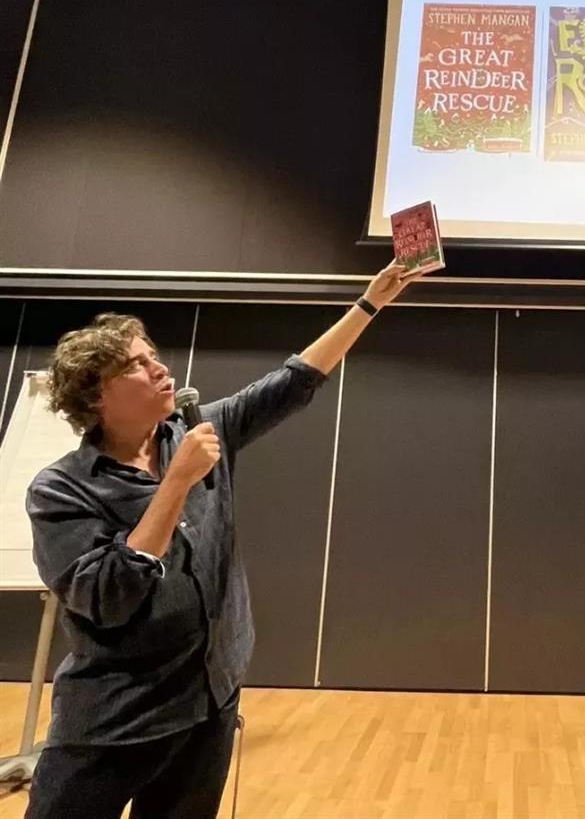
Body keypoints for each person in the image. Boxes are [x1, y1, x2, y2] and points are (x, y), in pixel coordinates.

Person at [23, 263, 415, 819]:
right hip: (118, 717)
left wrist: (369, 303)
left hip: (210, 702)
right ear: (95, 397)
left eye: (153, 355)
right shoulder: (61, 489)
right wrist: (177, 483)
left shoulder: (201, 430)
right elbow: (109, 598)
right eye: (135, 365)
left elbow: (293, 382)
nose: (159, 368)